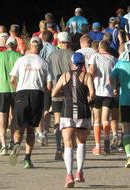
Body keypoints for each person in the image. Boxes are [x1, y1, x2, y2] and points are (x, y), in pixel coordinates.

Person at [9, 37, 53, 169]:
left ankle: (17, 143)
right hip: (36, 94)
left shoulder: (21, 60)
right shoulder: (44, 63)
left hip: (21, 92)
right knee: (31, 129)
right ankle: (27, 159)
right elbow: (49, 85)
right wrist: (42, 89)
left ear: (29, 46)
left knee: (19, 126)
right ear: (41, 48)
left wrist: (17, 88)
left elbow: (12, 79)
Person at [52, 52, 94, 188]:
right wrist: (87, 98)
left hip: (67, 112)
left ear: (71, 63)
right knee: (81, 143)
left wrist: (64, 94)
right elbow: (92, 93)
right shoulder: (87, 76)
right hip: (83, 112)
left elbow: (53, 93)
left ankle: (69, 174)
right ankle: (79, 172)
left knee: (68, 144)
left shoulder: (65, 75)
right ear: (83, 64)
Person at [47, 32, 74, 160]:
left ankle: (58, 149)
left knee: (57, 120)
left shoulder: (52, 56)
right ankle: (66, 146)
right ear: (69, 41)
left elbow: (48, 74)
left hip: (56, 91)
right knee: (69, 121)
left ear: (59, 41)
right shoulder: (74, 54)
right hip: (71, 92)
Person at [88, 40, 117, 156]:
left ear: (99, 48)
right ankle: (106, 139)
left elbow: (92, 71)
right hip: (109, 92)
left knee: (96, 120)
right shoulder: (114, 59)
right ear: (108, 48)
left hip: (97, 91)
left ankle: (97, 146)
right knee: (105, 119)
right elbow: (116, 76)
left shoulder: (94, 56)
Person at [0, 37, 21, 155]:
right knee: (14, 118)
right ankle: (14, 143)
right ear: (15, 46)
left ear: (6, 45)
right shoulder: (19, 56)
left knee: (2, 118)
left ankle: (4, 146)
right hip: (16, 89)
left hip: (3, 89)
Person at [36, 30, 58, 146]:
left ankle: (40, 132)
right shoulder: (56, 49)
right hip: (54, 81)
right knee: (48, 107)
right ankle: (45, 130)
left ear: (43, 39)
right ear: (52, 39)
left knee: (40, 107)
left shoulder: (41, 49)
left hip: (41, 80)